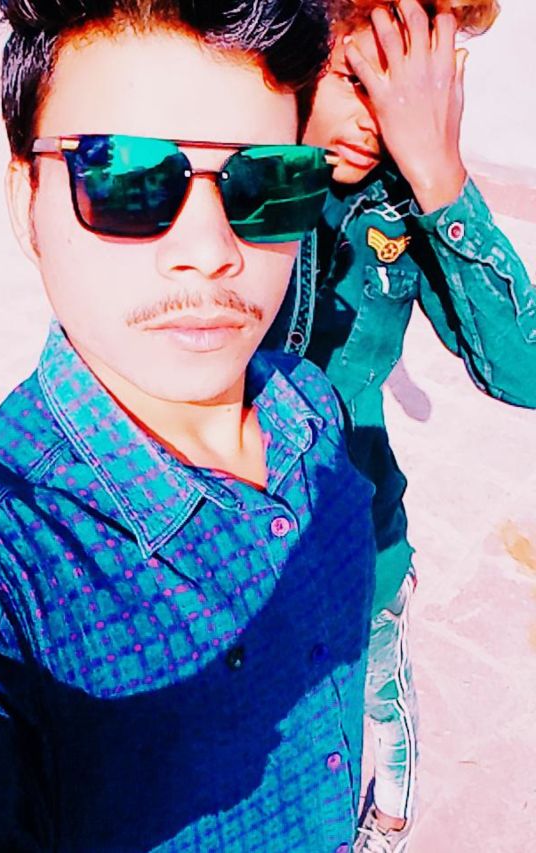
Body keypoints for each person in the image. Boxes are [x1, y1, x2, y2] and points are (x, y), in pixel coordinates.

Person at [0, 1, 379, 850]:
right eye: (126, 177)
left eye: (265, 181)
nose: (211, 250)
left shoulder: (308, 407)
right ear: (26, 200)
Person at [266, 0, 536, 849]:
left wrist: (440, 180)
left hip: (363, 539)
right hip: (243, 552)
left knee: (377, 694)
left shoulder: (401, 205)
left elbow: (522, 368)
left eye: (402, 97)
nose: (373, 122)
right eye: (355, 80)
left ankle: (389, 817)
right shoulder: (243, 175)